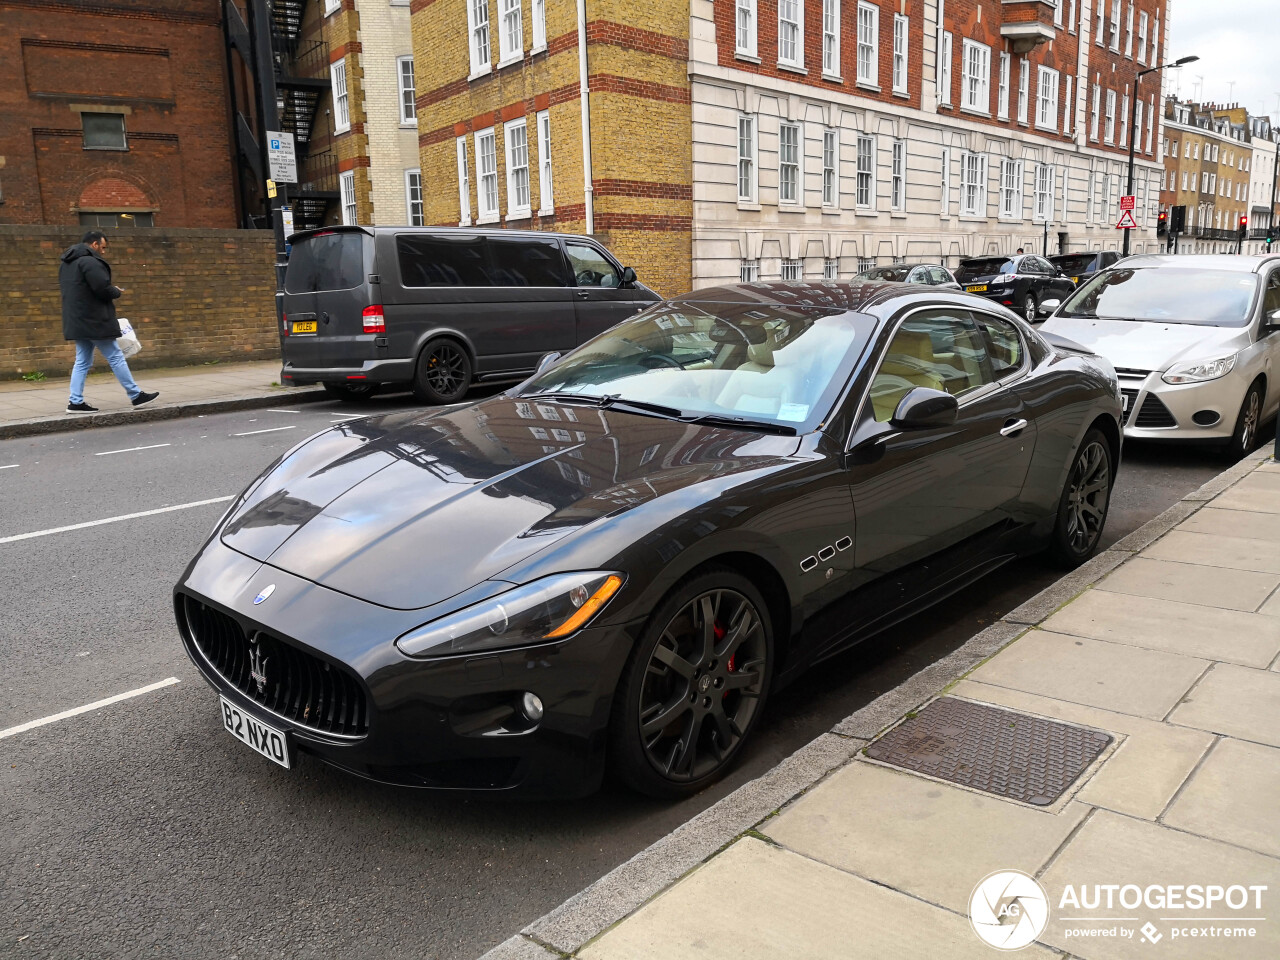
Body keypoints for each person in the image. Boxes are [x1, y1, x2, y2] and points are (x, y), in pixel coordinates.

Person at [60, 231, 158, 413]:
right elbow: (101, 288)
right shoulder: (89, 262)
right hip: (94, 320)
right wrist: (116, 291)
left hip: (77, 320)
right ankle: (136, 396)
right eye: (103, 247)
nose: (103, 252)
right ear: (95, 244)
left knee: (81, 361)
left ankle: (75, 401)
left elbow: (81, 291)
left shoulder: (67, 263)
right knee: (115, 356)